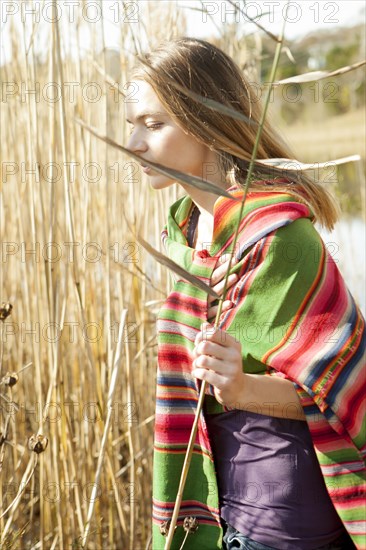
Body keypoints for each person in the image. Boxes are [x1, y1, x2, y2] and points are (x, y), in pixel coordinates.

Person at [125, 37, 365, 550]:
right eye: (132, 125)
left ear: (205, 120)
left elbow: (344, 391)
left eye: (153, 124)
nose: (135, 144)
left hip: (285, 513)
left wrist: (241, 389)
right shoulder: (188, 237)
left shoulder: (282, 238)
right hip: (222, 503)